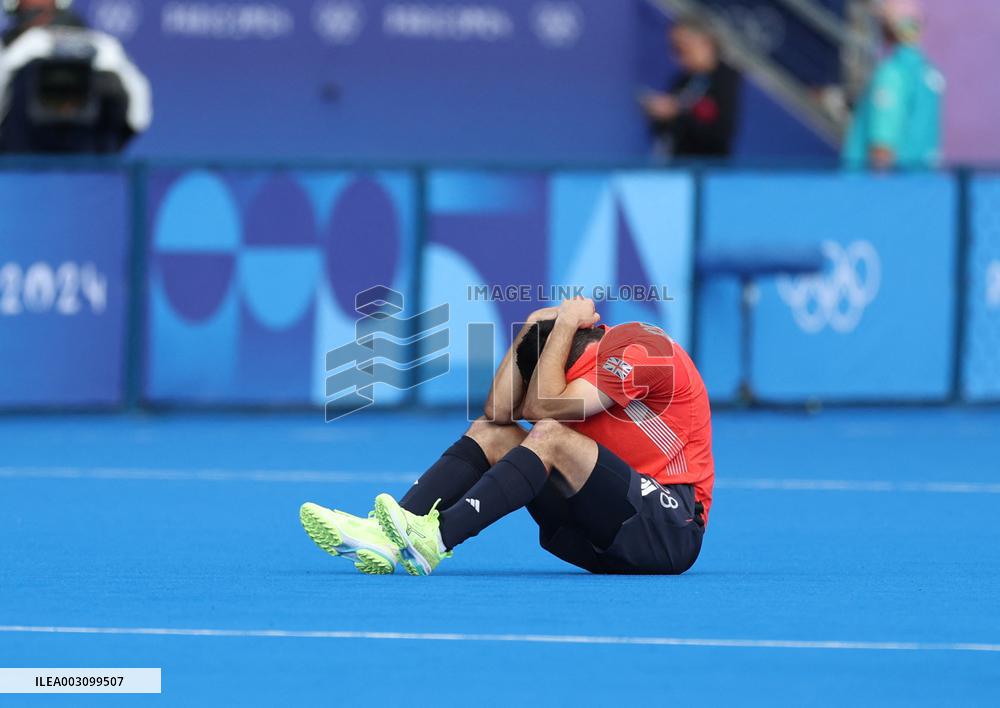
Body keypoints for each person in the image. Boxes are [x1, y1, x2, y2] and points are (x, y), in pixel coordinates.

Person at [300, 297, 714, 576]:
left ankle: (436, 539)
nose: (534, 402)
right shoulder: (579, 365)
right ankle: (391, 533)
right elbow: (497, 411)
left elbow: (549, 405)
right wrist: (535, 326)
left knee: (549, 433)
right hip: (600, 533)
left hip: (669, 528)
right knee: (492, 432)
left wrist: (567, 321)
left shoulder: (636, 348)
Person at [0, 0, 151, 153]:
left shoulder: (103, 48)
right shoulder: (11, 51)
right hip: (18, 164)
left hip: (89, 163)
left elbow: (137, 116)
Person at [842, 0, 943, 170]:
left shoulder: (892, 74)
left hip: (886, 189)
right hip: (920, 184)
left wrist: (879, 191)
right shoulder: (928, 73)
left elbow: (882, 148)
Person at [641, 16, 742, 159]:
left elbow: (718, 135)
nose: (676, 57)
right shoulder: (681, 81)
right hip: (677, 168)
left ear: (706, 42)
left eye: (683, 48)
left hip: (708, 172)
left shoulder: (727, 79)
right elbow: (665, 134)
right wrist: (659, 114)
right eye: (674, 49)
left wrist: (676, 113)